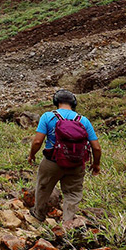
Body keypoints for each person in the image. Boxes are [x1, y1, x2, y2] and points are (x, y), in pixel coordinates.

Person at [28, 89, 101, 227]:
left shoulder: (47, 117)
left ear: (56, 102)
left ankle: (38, 215)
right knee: (72, 193)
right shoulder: (83, 120)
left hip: (52, 162)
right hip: (76, 164)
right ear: (73, 103)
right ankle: (68, 222)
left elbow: (37, 141)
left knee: (43, 187)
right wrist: (96, 164)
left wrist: (32, 155)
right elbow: (96, 147)